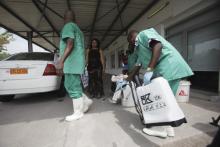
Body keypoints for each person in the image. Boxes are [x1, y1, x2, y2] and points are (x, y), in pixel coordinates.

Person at [126, 28, 194, 137]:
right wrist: (128, 78)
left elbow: (157, 46)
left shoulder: (143, 34)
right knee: (167, 99)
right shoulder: (139, 50)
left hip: (168, 65)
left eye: (130, 42)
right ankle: (169, 129)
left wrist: (149, 69)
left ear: (131, 38)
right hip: (171, 67)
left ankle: (161, 129)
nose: (131, 45)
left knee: (160, 99)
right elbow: (137, 65)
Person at [56, 10, 92, 122]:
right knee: (71, 85)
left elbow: (70, 44)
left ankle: (78, 112)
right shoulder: (78, 30)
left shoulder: (67, 26)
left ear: (64, 18)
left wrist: (61, 61)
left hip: (71, 62)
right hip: (77, 62)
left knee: (72, 87)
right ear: (75, 19)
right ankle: (85, 101)